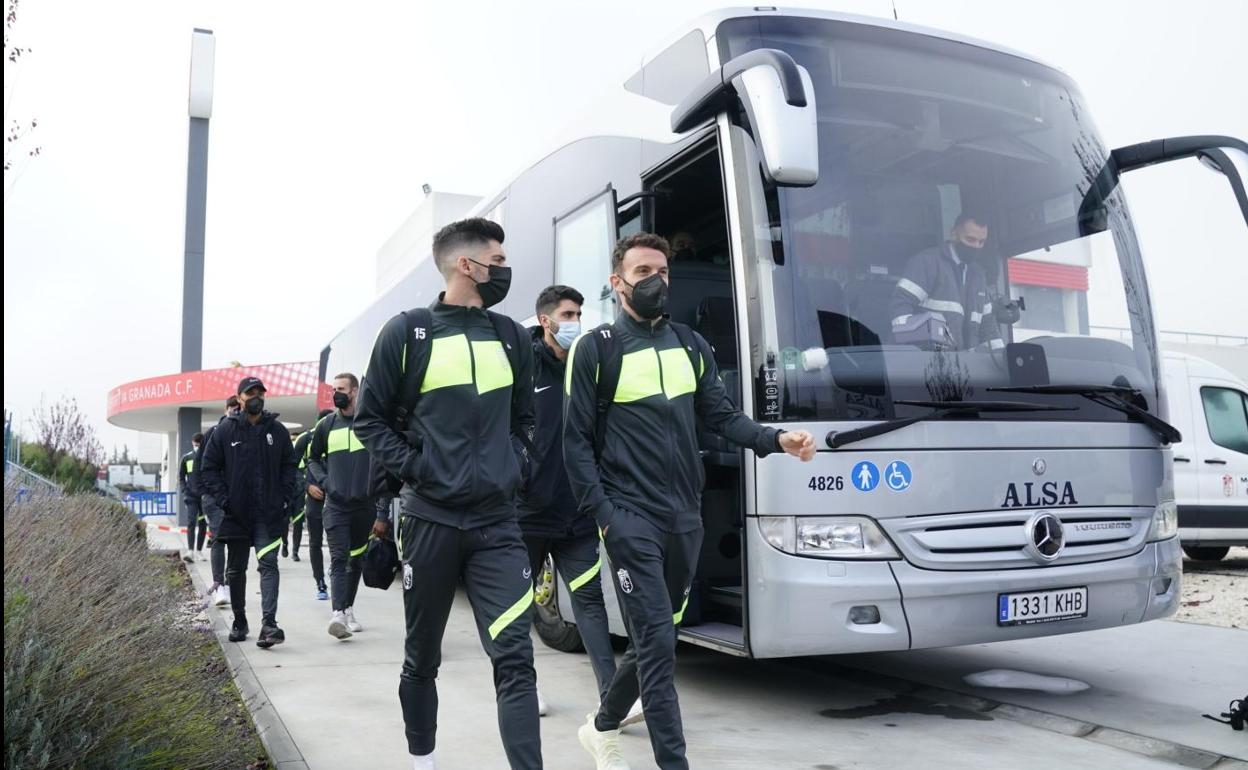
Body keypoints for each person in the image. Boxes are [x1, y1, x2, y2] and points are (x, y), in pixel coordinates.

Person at [564, 232, 816, 770]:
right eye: (643, 272)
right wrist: (605, 516)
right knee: (658, 645)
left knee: (658, 635)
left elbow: (720, 417)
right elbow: (575, 443)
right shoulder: (597, 348)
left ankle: (602, 723)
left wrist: (776, 439)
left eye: (663, 271)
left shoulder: (691, 345)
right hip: (628, 517)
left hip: (685, 515)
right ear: (618, 282)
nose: (656, 281)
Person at [355, 217, 541, 770]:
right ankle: (423, 760)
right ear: (469, 265)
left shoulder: (511, 336)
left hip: (498, 526)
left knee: (515, 658)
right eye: (499, 260)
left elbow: (525, 420)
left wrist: (518, 462)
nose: (506, 269)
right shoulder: (407, 332)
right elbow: (370, 421)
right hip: (431, 520)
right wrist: (418, 467)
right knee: (422, 658)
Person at [519, 285, 618, 717]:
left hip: (577, 515)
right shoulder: (522, 369)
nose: (576, 321)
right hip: (527, 514)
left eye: (579, 313)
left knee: (589, 604)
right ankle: (525, 688)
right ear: (546, 320)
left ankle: (612, 696)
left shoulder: (587, 366)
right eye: (568, 314)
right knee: (518, 608)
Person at [199, 377, 297, 649]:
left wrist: (285, 496)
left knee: (268, 565)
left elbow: (290, 465)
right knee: (236, 569)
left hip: (268, 514)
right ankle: (240, 620)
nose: (257, 397)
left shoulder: (276, 430)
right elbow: (208, 468)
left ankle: (269, 624)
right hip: (236, 514)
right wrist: (223, 500)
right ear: (239, 398)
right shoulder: (224, 432)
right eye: (250, 392)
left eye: (260, 393)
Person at [306, 372, 381, 639]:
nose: (336, 393)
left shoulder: (370, 423)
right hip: (336, 506)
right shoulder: (326, 425)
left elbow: (383, 460)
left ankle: (348, 608)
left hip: (365, 506)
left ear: (355, 392)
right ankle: (337, 613)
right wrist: (326, 482)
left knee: (356, 559)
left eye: (341, 388)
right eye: (333, 388)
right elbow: (313, 458)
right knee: (339, 558)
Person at [889, 212, 1004, 351]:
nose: (976, 246)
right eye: (970, 240)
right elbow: (900, 306)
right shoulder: (927, 263)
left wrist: (1002, 359)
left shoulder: (978, 276)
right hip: (926, 367)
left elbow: (988, 328)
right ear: (954, 234)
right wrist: (916, 348)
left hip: (967, 369)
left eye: (981, 242)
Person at [197, 396, 241, 607]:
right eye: (233, 408)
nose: (236, 411)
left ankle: (231, 583)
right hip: (214, 497)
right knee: (218, 538)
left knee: (236, 542)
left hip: (238, 498)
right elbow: (201, 467)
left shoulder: (245, 433)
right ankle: (219, 585)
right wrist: (205, 494)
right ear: (226, 409)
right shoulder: (213, 433)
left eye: (239, 408)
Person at [304, 408, 334, 600]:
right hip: (314, 501)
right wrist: (307, 486)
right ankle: (320, 583)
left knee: (337, 544)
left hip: (336, 500)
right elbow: (291, 467)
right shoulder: (306, 440)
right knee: (315, 543)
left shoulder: (340, 435)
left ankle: (336, 572)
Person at [178, 433, 208, 562]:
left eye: (198, 444)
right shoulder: (186, 458)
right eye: (196, 443)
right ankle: (190, 551)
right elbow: (181, 476)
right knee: (191, 522)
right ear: (192, 443)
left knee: (203, 523)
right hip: (191, 497)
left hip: (204, 497)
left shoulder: (207, 457)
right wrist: (185, 490)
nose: (197, 446)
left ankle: (199, 551)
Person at [285, 428, 312, 562]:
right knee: (284, 522)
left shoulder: (303, 458)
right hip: (287, 492)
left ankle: (295, 551)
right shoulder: (284, 458)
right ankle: (285, 543)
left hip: (300, 493)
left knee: (298, 522)